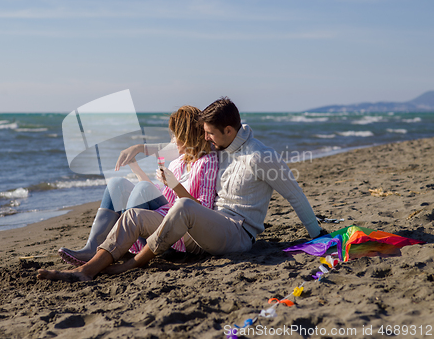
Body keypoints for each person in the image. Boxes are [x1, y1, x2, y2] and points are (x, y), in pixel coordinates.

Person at [38, 97, 323, 281]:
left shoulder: (261, 157)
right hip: (206, 226)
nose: (206, 139)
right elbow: (180, 146)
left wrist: (319, 236)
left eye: (210, 133)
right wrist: (142, 148)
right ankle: (88, 270)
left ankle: (133, 263)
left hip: (238, 234)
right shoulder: (222, 145)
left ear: (228, 130)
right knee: (133, 217)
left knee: (184, 205)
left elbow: (294, 195)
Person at [57, 105, 219, 267]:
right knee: (117, 183)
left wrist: (175, 185)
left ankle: (125, 246)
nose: (172, 140)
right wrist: (136, 168)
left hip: (182, 228)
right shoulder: (178, 162)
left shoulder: (207, 162)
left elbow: (202, 211)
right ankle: (92, 248)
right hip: (164, 217)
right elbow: (156, 197)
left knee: (143, 188)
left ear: (187, 135)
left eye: (175, 135)